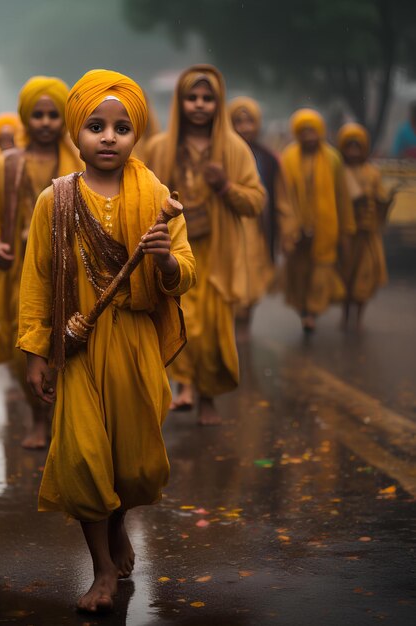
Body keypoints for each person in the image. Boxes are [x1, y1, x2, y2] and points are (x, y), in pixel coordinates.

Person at [17, 69, 196, 613]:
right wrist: (35, 352)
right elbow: (38, 279)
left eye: (121, 127)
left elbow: (186, 273)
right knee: (84, 456)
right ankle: (100, 571)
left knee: (131, 462)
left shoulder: (158, 197)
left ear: (135, 134)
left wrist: (165, 257)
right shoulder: (56, 200)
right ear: (78, 133)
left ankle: (118, 528)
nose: (109, 137)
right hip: (79, 347)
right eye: (96, 126)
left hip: (137, 341)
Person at [146, 65, 265, 425]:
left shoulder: (235, 150)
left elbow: (256, 201)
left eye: (207, 98)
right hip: (174, 253)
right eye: (191, 97)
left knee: (212, 330)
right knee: (181, 321)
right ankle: (184, 385)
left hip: (216, 254)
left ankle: (208, 398)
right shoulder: (159, 148)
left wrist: (225, 186)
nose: (199, 105)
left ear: (219, 103)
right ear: (179, 103)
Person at [0, 76, 82, 449]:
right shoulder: (7, 164)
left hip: (68, 271)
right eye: (37, 115)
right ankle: (37, 420)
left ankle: (61, 422)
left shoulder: (78, 160)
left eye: (53, 115)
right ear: (25, 117)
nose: (44, 122)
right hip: (18, 276)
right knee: (24, 347)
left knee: (65, 346)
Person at [281, 109, 356, 333]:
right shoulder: (288, 157)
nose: (309, 136)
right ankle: (304, 310)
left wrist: (346, 227)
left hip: (326, 227)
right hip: (297, 228)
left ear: (320, 131)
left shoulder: (333, 158)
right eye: (303, 131)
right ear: (297, 133)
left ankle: (312, 312)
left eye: (312, 131)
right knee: (300, 273)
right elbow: (283, 195)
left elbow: (341, 195)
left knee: (321, 272)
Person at [229, 96, 299, 330]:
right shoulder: (220, 155)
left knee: (253, 277)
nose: (245, 127)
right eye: (238, 121)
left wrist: (288, 231)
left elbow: (281, 199)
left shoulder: (268, 160)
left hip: (259, 229)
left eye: (250, 121)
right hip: (228, 228)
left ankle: (245, 325)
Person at [338, 123, 392, 330]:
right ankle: (345, 317)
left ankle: (359, 319)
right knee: (345, 277)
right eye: (349, 146)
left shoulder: (373, 173)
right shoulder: (339, 171)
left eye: (357, 147)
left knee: (365, 277)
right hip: (346, 235)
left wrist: (383, 202)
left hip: (368, 234)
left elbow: (380, 199)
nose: (353, 151)